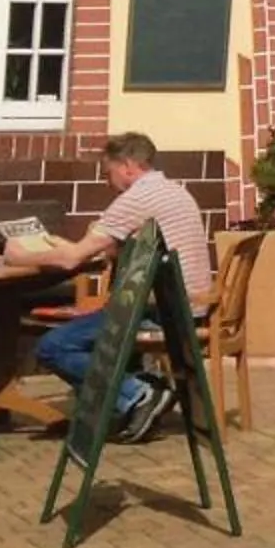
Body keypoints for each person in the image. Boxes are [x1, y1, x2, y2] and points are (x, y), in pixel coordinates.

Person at [19, 133, 217, 444]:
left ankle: (139, 393)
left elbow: (73, 259)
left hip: (160, 312)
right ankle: (123, 404)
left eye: (107, 172)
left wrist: (18, 255)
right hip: (189, 306)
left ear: (126, 166)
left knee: (53, 346)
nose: (106, 182)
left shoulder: (137, 199)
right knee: (90, 326)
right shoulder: (175, 191)